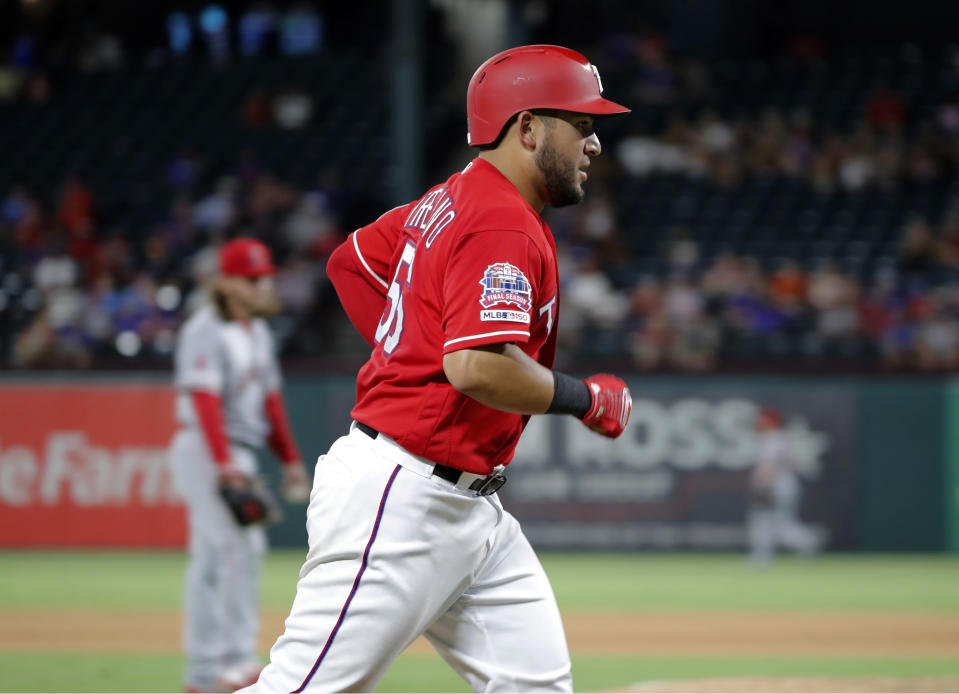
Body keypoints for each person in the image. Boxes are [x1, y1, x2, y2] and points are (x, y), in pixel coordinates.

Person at [238, 44, 633, 694]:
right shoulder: (500, 222)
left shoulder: (451, 199)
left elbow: (352, 260)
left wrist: (412, 351)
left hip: (467, 509)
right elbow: (476, 367)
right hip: (403, 500)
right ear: (527, 127)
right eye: (581, 125)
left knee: (534, 688)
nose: (593, 144)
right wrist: (584, 399)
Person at [169, 237, 311, 693]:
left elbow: (270, 405)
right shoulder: (205, 328)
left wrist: (289, 459)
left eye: (263, 276)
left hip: (236, 450)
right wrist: (224, 461)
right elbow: (205, 400)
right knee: (228, 554)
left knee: (230, 555)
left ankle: (215, 667)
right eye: (251, 278)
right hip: (207, 449)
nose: (261, 284)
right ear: (226, 283)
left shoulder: (257, 333)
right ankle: (224, 667)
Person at [747, 406, 820, 566]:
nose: (758, 422)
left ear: (770, 421)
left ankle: (762, 559)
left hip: (774, 486)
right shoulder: (780, 438)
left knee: (764, 522)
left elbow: (768, 466)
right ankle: (807, 541)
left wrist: (760, 485)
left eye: (762, 419)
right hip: (786, 484)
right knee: (778, 524)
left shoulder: (772, 439)